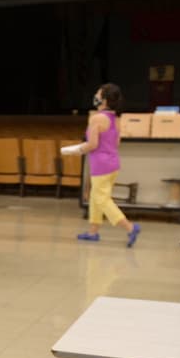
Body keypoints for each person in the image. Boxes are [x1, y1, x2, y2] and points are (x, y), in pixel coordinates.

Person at [64, 83, 140, 246]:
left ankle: (130, 227)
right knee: (95, 197)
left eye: (98, 94)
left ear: (104, 100)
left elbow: (92, 144)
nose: (95, 97)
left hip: (101, 166)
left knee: (102, 199)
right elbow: (116, 143)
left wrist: (75, 150)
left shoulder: (97, 118)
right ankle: (93, 231)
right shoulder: (116, 119)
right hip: (113, 164)